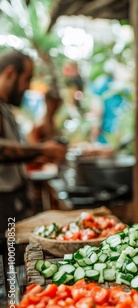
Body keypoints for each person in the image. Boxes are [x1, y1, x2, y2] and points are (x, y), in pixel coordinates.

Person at [0, 49, 67, 234]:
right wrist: (42, 150)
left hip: (13, 202)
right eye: (27, 79)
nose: (28, 87)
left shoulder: (5, 108)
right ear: (10, 73)